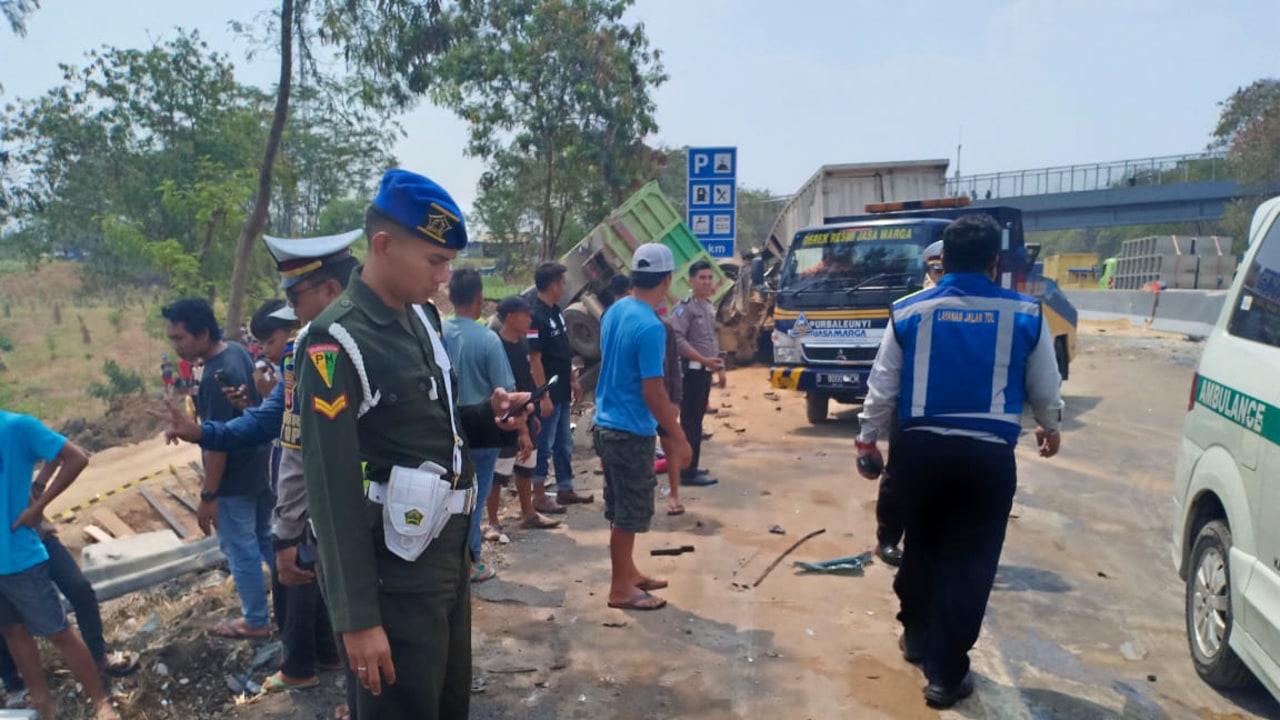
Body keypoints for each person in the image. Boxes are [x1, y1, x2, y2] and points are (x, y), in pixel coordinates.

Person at [296, 169, 531, 718]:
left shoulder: (422, 319)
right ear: (383, 245)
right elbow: (329, 490)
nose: (445, 277)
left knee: (448, 707)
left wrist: (487, 418)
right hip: (394, 577)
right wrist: (357, 618)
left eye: (448, 263)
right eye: (434, 261)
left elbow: (434, 429)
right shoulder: (336, 341)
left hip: (445, 559)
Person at [855, 214, 1064, 709]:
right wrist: (1050, 426)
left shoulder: (908, 312)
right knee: (969, 563)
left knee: (922, 544)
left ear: (942, 260)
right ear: (995, 263)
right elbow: (1045, 387)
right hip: (986, 458)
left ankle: (917, 636)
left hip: (919, 451)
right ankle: (945, 676)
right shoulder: (1028, 314)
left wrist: (867, 439)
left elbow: (882, 384)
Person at [162, 229, 362, 714]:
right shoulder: (300, 354)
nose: (292, 311)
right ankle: (336, 674)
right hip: (322, 507)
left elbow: (295, 449)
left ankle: (320, 676)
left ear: (331, 291)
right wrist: (201, 433)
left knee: (321, 589)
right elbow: (269, 422)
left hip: (355, 505)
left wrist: (287, 528)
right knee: (327, 591)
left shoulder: (345, 346)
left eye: (296, 297)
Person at [162, 299, 275, 640]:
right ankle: (295, 603)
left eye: (180, 338)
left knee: (241, 550)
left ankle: (256, 619)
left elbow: (217, 445)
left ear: (202, 334)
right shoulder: (237, 352)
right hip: (261, 468)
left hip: (235, 479)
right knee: (267, 540)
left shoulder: (212, 376)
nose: (175, 345)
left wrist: (209, 494)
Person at [0, 411, 120, 720]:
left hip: (18, 555)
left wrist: (37, 507)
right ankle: (42, 704)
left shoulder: (15, 427)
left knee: (58, 631)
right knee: (13, 632)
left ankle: (100, 701)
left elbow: (75, 457)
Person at [593, 243, 692, 611]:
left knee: (620, 507)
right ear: (666, 280)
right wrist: (678, 438)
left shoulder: (615, 311)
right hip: (630, 430)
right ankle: (620, 588)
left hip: (605, 424)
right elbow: (653, 391)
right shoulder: (651, 326)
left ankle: (629, 572)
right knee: (629, 512)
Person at [444, 268, 529, 585]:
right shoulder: (488, 340)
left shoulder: (436, 335)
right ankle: (471, 562)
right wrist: (522, 431)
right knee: (474, 500)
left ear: (450, 298)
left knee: (448, 500)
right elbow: (505, 395)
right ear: (480, 299)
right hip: (483, 432)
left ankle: (450, 561)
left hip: (445, 431)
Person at [874, 240, 947, 568]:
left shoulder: (977, 312)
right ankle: (888, 539)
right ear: (928, 273)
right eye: (937, 270)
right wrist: (868, 431)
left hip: (949, 410)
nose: (942, 277)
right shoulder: (910, 311)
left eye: (948, 270)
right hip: (909, 411)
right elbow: (886, 373)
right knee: (899, 478)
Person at [489, 295, 560, 534]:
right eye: (525, 315)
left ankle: (528, 512)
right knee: (499, 472)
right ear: (510, 317)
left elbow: (526, 379)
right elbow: (504, 390)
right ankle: (492, 522)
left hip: (525, 412)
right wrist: (521, 428)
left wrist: (532, 416)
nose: (529, 319)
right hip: (507, 418)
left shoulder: (522, 343)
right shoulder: (497, 346)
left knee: (526, 467)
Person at [529, 261, 592, 506]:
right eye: (562, 282)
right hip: (549, 395)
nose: (565, 286)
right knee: (544, 444)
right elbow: (535, 360)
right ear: (553, 284)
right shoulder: (536, 316)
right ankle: (539, 494)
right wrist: (542, 395)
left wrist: (574, 379)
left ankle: (566, 488)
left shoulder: (556, 311)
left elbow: (563, 351)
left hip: (563, 390)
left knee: (564, 442)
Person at [668, 260, 726, 487]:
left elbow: (710, 340)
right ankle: (685, 471)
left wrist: (720, 369)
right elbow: (678, 340)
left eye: (709, 278)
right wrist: (704, 361)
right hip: (690, 373)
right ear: (691, 281)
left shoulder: (707, 306)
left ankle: (692, 465)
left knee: (697, 421)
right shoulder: (685, 308)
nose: (707, 282)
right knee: (689, 422)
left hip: (704, 373)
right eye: (702, 278)